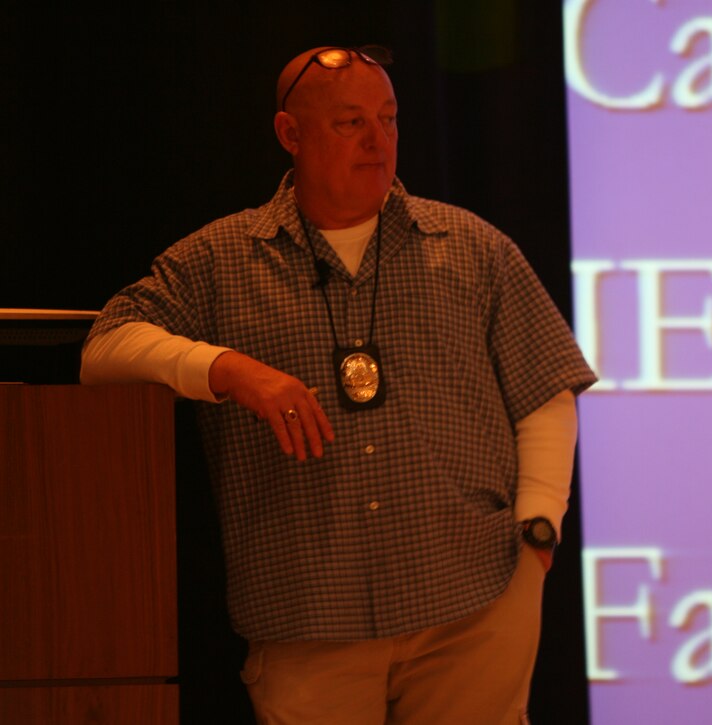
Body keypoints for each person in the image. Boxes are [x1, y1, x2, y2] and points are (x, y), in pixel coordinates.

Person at [81, 44, 596, 724]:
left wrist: (539, 530)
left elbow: (545, 388)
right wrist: (230, 370)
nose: (378, 141)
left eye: (389, 118)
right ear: (290, 134)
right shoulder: (219, 258)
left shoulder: (472, 246)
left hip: (472, 603)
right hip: (307, 617)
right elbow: (104, 349)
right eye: (351, 122)